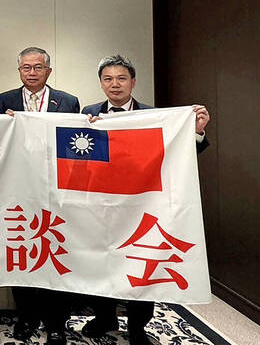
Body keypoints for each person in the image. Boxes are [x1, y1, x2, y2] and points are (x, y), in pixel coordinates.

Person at [80, 54, 210, 345]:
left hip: (143, 205)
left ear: (133, 82)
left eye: (121, 78)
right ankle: (104, 317)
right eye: (108, 79)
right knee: (102, 262)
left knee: (142, 265)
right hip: (101, 205)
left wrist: (196, 131)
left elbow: (180, 157)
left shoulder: (153, 115)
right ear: (101, 83)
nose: (115, 84)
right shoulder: (88, 113)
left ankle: (138, 326)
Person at [0, 47, 79, 345]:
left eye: (38, 67)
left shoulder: (68, 102)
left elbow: (74, 146)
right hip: (16, 190)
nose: (32, 72)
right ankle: (27, 316)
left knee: (52, 255)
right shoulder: (3, 101)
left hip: (54, 191)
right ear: (18, 71)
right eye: (26, 68)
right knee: (23, 255)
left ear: (49, 71)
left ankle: (56, 321)